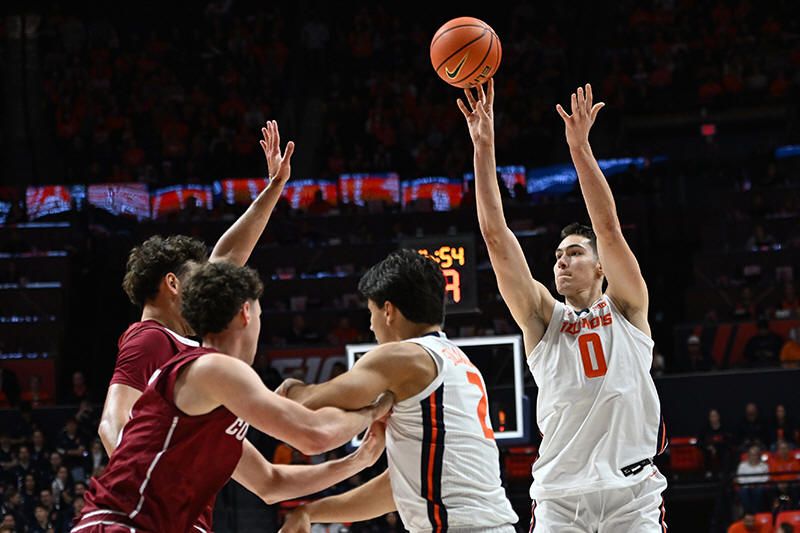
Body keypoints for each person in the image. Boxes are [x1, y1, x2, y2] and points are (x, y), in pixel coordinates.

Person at [456, 79, 668, 531]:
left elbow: (607, 228)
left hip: (632, 495)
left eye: (574, 253)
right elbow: (495, 237)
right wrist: (483, 146)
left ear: (600, 267)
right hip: (560, 499)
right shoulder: (542, 318)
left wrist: (579, 148)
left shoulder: (628, 309)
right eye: (557, 255)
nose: (562, 261)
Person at [73, 262, 392, 532]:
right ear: (246, 313)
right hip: (124, 523)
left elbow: (270, 483)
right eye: (261, 315)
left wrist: (358, 460)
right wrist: (375, 409)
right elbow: (315, 434)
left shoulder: (212, 398)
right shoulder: (212, 367)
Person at [96, 122, 294, 531]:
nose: (208, 286)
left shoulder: (182, 347)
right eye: (196, 279)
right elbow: (112, 423)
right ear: (172, 284)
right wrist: (154, 501)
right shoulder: (150, 337)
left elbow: (228, 257)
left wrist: (273, 188)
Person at [278, 250, 517, 533]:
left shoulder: (403, 357)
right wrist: (310, 512)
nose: (371, 325)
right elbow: (401, 488)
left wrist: (291, 387)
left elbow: (307, 405)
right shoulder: (460, 363)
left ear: (388, 311)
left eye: (371, 313)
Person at [735, 446, 769, 513]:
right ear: (748, 455)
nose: (753, 457)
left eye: (755, 454)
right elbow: (740, 478)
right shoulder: (742, 465)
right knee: (743, 491)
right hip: (746, 486)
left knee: (759, 490)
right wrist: (749, 484)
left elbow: (766, 478)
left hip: (759, 486)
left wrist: (755, 484)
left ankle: (757, 512)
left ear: (759, 455)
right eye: (752, 454)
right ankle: (749, 512)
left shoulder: (764, 465)